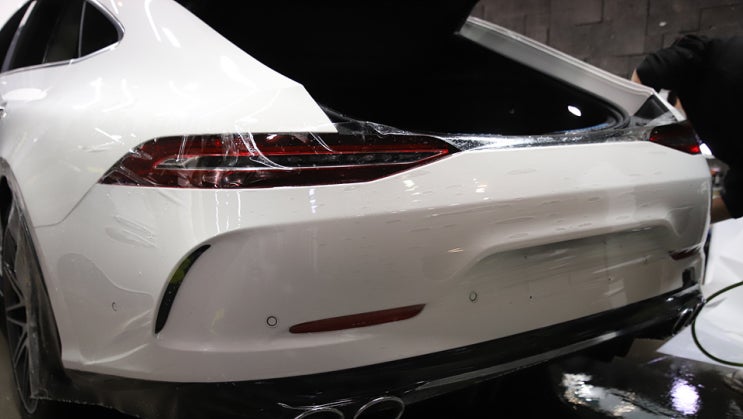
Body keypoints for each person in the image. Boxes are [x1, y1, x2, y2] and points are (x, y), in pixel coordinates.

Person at [631, 34, 743, 223]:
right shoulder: (719, 139)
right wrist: (673, 220)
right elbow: (733, 203)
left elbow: (646, 73)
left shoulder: (699, 64)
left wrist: (634, 125)